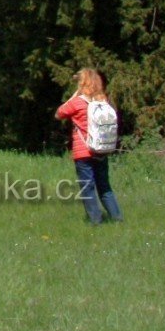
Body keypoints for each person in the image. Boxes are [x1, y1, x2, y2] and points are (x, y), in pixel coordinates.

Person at [56, 68, 124, 225]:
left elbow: (59, 113)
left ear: (82, 83)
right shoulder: (103, 101)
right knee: (104, 185)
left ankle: (95, 221)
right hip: (101, 149)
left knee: (88, 188)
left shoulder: (77, 102)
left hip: (83, 151)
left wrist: (74, 94)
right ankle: (117, 218)